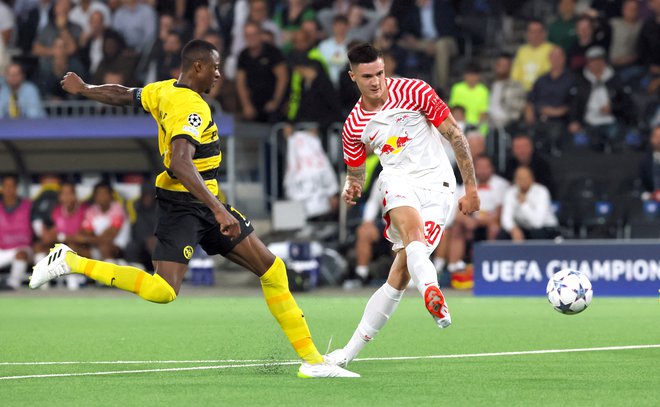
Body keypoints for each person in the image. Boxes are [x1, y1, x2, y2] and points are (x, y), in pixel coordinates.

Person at [32, 39, 357, 379]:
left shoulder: (163, 90)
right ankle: (71, 261)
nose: (219, 74)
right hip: (185, 206)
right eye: (215, 67)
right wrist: (219, 210)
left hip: (203, 201)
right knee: (163, 291)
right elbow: (181, 163)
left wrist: (85, 88)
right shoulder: (193, 108)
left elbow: (124, 93)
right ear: (198, 67)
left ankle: (313, 362)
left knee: (273, 271)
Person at [326, 43, 480, 369]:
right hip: (398, 181)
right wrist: (352, 186)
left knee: (400, 273)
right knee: (413, 236)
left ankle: (346, 355)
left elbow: (454, 134)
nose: (376, 81)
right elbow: (356, 170)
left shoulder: (415, 90)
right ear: (353, 76)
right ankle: (433, 292)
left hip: (439, 186)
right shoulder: (355, 125)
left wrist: (472, 188)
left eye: (380, 73)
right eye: (367, 76)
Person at [525, 46, 575, 154]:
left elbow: (574, 102)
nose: (556, 59)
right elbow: (531, 98)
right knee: (525, 135)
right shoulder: (541, 79)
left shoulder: (571, 79)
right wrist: (529, 109)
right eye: (553, 56)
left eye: (559, 56)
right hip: (538, 119)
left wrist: (558, 111)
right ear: (549, 59)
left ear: (564, 58)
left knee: (555, 135)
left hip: (559, 120)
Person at [235, 21, 288, 122]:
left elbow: (282, 78)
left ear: (260, 35)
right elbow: (240, 82)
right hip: (252, 103)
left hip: (273, 103)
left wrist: (275, 101)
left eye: (254, 34)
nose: (251, 38)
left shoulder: (273, 52)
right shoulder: (243, 55)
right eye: (248, 35)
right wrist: (246, 105)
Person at [499, 166, 558, 241]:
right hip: (522, 227)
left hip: (545, 227)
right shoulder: (511, 192)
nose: (522, 181)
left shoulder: (541, 191)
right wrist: (513, 229)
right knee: (503, 234)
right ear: (515, 180)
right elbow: (506, 218)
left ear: (532, 178)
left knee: (536, 233)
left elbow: (537, 223)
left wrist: (524, 204)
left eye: (525, 178)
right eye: (519, 178)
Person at [0, 175, 32, 289]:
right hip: (2, 249)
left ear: (16, 188)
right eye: (6, 186)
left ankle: (12, 285)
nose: (8, 189)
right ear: (2, 188)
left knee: (21, 255)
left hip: (22, 248)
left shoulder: (28, 206)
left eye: (11, 186)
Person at [511, 19, 554, 91]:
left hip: (543, 92)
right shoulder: (522, 51)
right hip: (522, 92)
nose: (534, 35)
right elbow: (515, 76)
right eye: (531, 32)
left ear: (544, 33)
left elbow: (550, 75)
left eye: (537, 31)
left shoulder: (552, 50)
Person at [489, 53, 526, 132]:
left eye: (505, 65)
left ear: (510, 68)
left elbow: (520, 107)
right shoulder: (489, 85)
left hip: (508, 124)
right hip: (489, 125)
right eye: (500, 65)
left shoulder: (516, 86)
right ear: (496, 66)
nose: (502, 68)